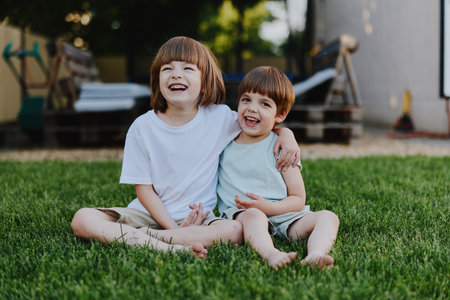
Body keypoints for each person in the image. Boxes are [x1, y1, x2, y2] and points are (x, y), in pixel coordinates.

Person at [71, 37, 300, 258]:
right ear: (157, 79)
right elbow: (144, 190)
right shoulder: (142, 127)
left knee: (234, 230)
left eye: (188, 69)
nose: (176, 74)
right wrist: (173, 228)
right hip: (147, 214)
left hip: (201, 220)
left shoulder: (219, 118)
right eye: (167, 68)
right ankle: (167, 245)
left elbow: (256, 123)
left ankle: (144, 239)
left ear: (204, 80)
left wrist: (286, 133)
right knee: (82, 219)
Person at [217, 66, 340, 269]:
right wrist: (260, 210)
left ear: (280, 115)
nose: (252, 108)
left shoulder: (282, 148)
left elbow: (298, 199)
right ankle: (271, 253)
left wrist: (270, 208)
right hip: (242, 214)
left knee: (328, 216)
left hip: (285, 217)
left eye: (264, 104)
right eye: (246, 100)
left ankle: (316, 254)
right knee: (255, 215)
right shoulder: (225, 138)